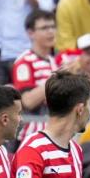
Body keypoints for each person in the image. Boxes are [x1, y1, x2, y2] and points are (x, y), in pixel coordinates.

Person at [11, 9, 58, 141]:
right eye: (44, 28)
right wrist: (57, 79)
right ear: (31, 33)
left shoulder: (53, 61)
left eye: (53, 27)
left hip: (53, 132)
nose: (51, 31)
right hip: (31, 135)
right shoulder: (24, 62)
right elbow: (27, 101)